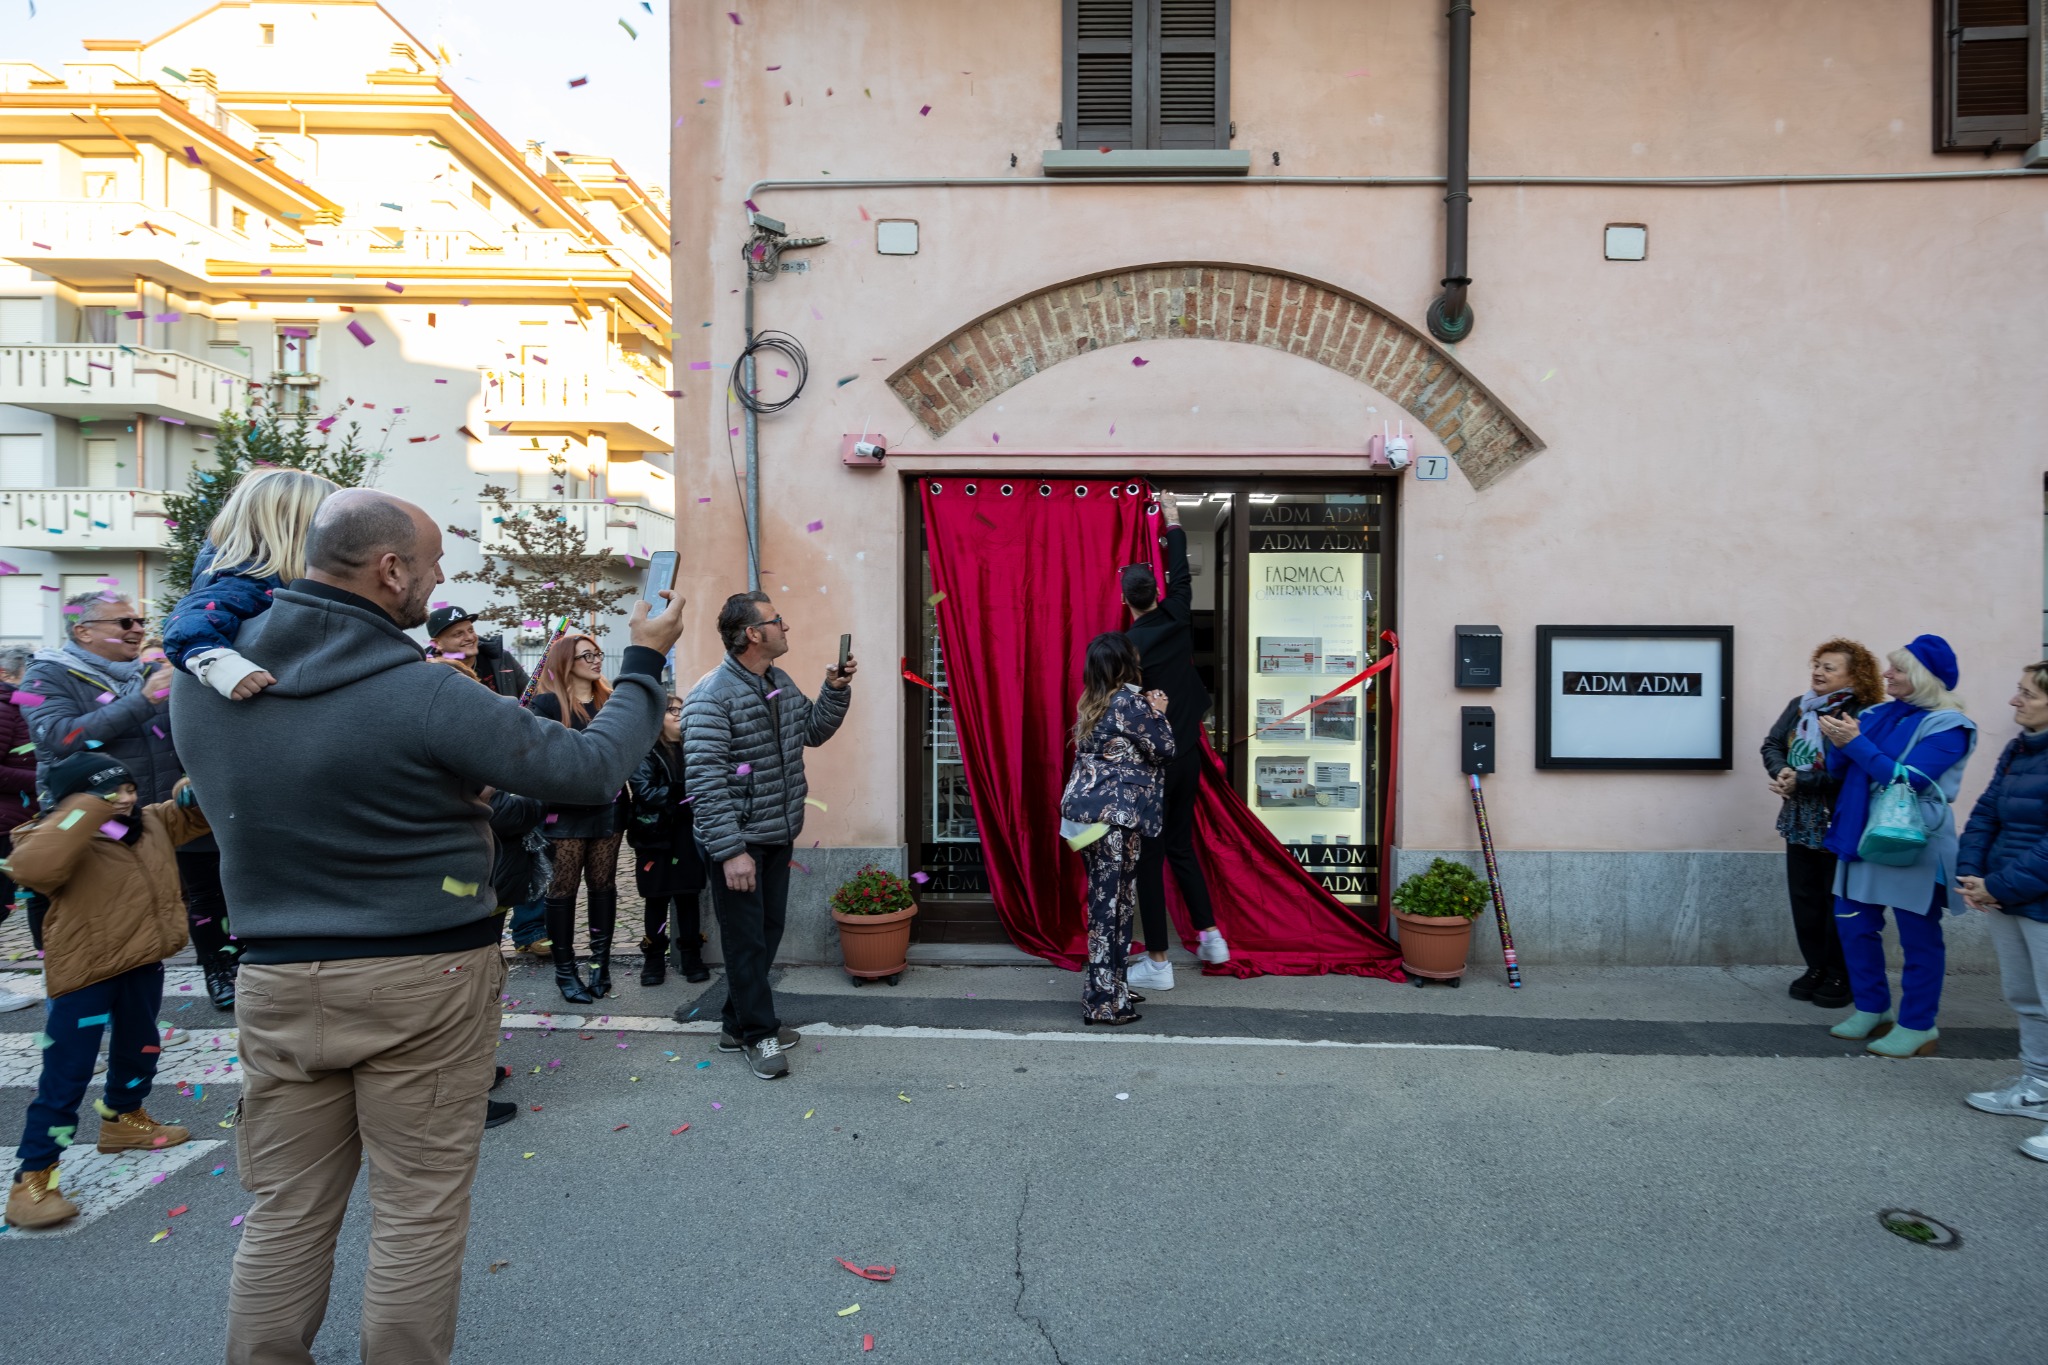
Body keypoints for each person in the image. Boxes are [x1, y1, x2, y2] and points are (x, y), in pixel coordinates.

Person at [172, 488, 680, 1364]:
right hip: (422, 976)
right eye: (434, 561)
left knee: (285, 1212)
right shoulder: (422, 692)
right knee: (417, 1210)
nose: (440, 579)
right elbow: (591, 767)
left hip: (279, 976)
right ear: (390, 568)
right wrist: (641, 662)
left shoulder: (205, 687)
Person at [3, 753, 210, 1230]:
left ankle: (123, 1119)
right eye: (109, 792)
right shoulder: (46, 835)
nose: (126, 798)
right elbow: (33, 869)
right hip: (86, 974)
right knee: (67, 1076)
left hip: (141, 961)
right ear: (75, 802)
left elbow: (196, 817)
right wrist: (86, 809)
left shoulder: (150, 824)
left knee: (139, 1049)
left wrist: (190, 785)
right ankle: (33, 1178)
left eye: (130, 788)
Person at [22, 592, 238, 1011]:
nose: (137, 629)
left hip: (166, 811)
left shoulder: (151, 671)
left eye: (138, 620)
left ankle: (218, 969)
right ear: (83, 631)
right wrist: (144, 701)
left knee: (207, 894)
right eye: (123, 623)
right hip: (97, 821)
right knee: (105, 912)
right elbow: (59, 737)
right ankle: (80, 1006)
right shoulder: (42, 676)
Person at [684, 591, 853, 1079]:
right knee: (745, 941)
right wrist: (732, 851)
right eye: (777, 620)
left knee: (765, 932)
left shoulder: (777, 680)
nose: (786, 626)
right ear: (753, 633)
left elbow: (813, 731)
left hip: (777, 831)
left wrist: (835, 688)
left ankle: (737, 1024)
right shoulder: (710, 695)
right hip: (738, 841)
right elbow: (705, 782)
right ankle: (758, 1035)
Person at [1817, 635, 1977, 1058]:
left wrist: (1854, 742)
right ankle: (1873, 1008)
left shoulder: (1950, 725)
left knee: (1918, 938)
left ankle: (1918, 1024)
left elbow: (1907, 780)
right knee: (1852, 924)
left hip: (1912, 840)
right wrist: (1837, 740)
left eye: (1899, 669)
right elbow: (1842, 769)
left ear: (1924, 678)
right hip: (1861, 832)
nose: (1887, 674)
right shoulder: (1874, 714)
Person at [1123, 492, 1228, 991]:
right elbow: (1182, 573)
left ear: (1126, 600)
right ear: (1157, 592)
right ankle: (1210, 935)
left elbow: (1121, 709)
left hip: (1152, 764)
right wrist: (1173, 520)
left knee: (1150, 856)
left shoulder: (1127, 647)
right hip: (1188, 755)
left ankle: (1159, 963)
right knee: (1181, 846)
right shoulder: (1180, 613)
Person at [1956, 660, 2048, 1161]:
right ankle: (2037, 1089)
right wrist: (1973, 874)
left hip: (2030, 894)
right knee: (2025, 997)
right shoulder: (2018, 750)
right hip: (2007, 893)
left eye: (2027, 694)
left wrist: (1997, 885)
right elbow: (1986, 811)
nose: (2015, 701)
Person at [1760, 639, 1884, 1008]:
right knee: (1805, 898)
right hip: (1799, 816)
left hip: (1838, 818)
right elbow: (1771, 744)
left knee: (1836, 899)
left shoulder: (1864, 713)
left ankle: (1839, 973)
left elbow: (1854, 770)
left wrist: (1804, 780)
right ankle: (1814, 967)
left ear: (1854, 675)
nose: (1818, 672)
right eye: (1817, 664)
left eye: (1829, 667)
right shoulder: (1799, 707)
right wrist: (1782, 770)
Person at [1061, 632, 1174, 1026]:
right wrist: (1158, 710)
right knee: (1113, 907)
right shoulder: (1130, 703)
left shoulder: (1092, 701)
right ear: (1126, 664)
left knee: (1112, 903)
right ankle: (1102, 1000)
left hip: (1085, 820)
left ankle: (1113, 985)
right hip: (1114, 819)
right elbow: (1165, 749)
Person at [162, 466, 339, 701]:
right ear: (299, 533)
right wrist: (222, 666)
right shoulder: (248, 580)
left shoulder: (255, 575)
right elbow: (188, 621)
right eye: (332, 527)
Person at [531, 632, 624, 1003]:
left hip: (608, 807)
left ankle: (600, 965)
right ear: (567, 662)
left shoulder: (610, 701)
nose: (597, 659)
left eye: (598, 653)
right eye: (588, 655)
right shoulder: (547, 705)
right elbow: (543, 755)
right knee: (563, 890)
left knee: (603, 886)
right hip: (564, 810)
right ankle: (565, 970)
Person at [626, 692, 710, 986]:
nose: (678, 714)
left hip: (687, 836)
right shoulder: (645, 750)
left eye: (681, 709)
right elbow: (646, 793)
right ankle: (653, 960)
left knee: (688, 897)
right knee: (656, 899)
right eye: (670, 710)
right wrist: (681, 793)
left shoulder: (695, 750)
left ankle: (691, 956)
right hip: (655, 836)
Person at [0, 646, 38, 1012]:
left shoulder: (19, 704)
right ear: (10, 674)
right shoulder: (4, 706)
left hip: (16, 821)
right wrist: (42, 779)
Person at [423, 604, 530, 699]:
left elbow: (532, 696)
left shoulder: (502, 659)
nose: (470, 637)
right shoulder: (427, 673)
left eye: (471, 630)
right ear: (437, 644)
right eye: (458, 634)